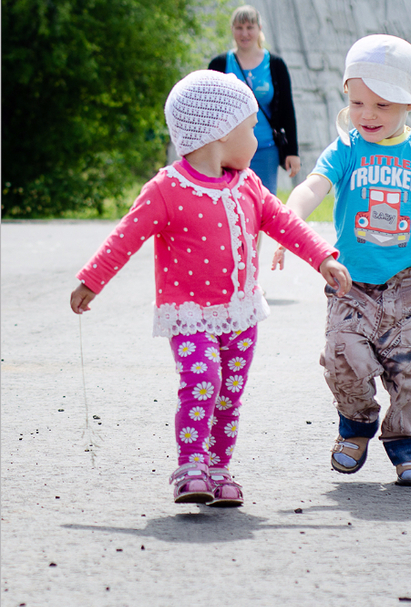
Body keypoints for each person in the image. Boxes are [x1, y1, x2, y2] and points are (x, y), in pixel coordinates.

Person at [70, 70, 351, 507]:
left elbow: (286, 223)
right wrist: (92, 279)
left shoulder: (249, 185)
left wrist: (322, 258)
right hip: (189, 314)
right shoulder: (168, 189)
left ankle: (219, 469)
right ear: (221, 131)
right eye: (251, 128)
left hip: (240, 313)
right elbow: (125, 236)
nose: (257, 140)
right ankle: (191, 466)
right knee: (203, 379)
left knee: (229, 394)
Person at [272, 34, 411, 487]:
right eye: (358, 102)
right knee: (341, 357)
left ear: (409, 105)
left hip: (409, 285)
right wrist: (289, 223)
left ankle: (409, 447)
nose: (367, 114)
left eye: (382, 105)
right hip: (351, 285)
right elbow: (311, 188)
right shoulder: (346, 149)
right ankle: (356, 424)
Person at [208, 5, 301, 195]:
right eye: (239, 28)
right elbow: (209, 110)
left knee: (263, 202)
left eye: (250, 27)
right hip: (228, 150)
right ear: (232, 30)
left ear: (259, 29)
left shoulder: (275, 64)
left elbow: (287, 109)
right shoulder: (219, 64)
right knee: (230, 201)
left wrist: (293, 151)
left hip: (266, 148)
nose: (245, 33)